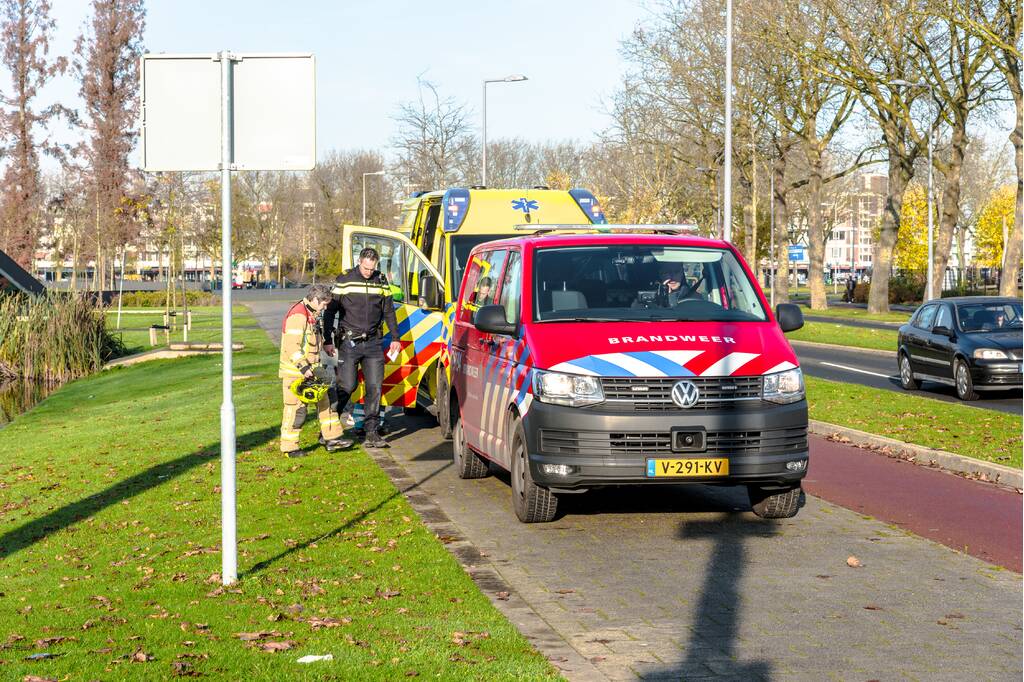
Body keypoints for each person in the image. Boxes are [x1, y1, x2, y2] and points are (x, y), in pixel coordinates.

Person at [324, 247, 401, 449]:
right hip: (349, 342)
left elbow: (389, 311)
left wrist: (395, 337)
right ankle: (328, 428)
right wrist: (327, 338)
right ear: (359, 262)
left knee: (374, 388)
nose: (368, 272)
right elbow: (330, 311)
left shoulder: (381, 281)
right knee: (347, 386)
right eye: (366, 268)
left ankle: (371, 432)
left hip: (374, 343)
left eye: (372, 268)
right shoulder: (345, 279)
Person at [278, 284, 352, 458]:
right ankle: (289, 447)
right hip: (296, 373)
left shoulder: (311, 313)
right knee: (296, 410)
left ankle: (332, 438)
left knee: (328, 401)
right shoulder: (298, 315)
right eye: (324, 304)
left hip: (313, 370)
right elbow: (291, 346)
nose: (326, 307)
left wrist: (325, 344)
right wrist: (303, 367)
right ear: (315, 299)